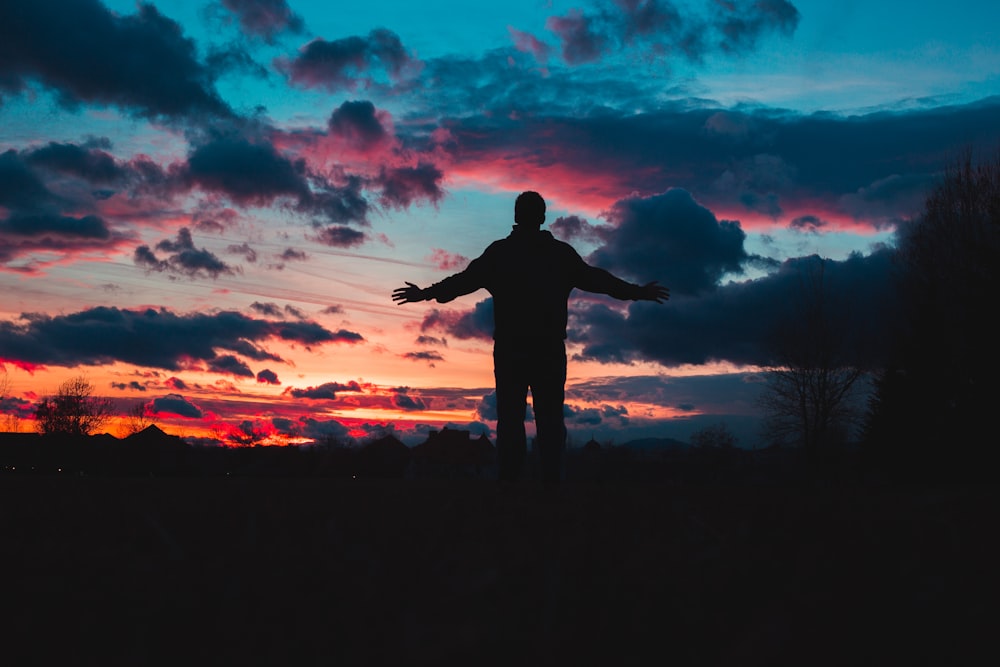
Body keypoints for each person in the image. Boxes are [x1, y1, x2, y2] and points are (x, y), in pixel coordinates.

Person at [393, 191, 669, 484]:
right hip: (546, 350)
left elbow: (461, 282)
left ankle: (512, 488)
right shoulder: (558, 255)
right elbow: (600, 280)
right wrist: (637, 292)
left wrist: (426, 293)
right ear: (542, 217)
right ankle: (548, 487)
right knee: (548, 422)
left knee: (512, 421)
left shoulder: (502, 254)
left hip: (513, 350)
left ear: (516, 217)